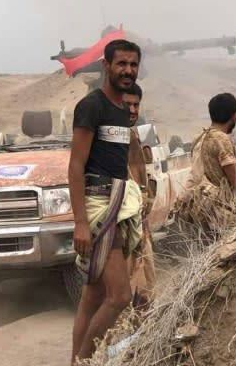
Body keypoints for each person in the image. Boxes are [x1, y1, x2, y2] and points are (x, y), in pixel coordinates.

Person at [68, 39, 144, 363]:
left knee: (92, 297)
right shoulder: (92, 106)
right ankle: (86, 361)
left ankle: (75, 360)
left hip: (119, 204)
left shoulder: (123, 111)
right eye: (121, 64)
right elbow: (75, 166)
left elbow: (127, 158)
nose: (128, 70)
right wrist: (81, 222)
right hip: (99, 206)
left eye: (133, 64)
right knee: (120, 296)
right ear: (106, 65)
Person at [173, 93, 236, 241]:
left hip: (200, 209)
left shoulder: (200, 136)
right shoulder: (221, 139)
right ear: (233, 116)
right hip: (217, 213)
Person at [123, 83, 157, 313]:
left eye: (136, 105)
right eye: (128, 105)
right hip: (123, 229)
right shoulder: (112, 138)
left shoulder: (131, 133)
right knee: (125, 291)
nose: (133, 110)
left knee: (145, 289)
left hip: (138, 226)